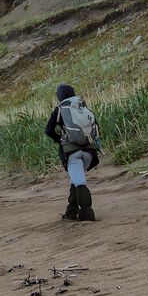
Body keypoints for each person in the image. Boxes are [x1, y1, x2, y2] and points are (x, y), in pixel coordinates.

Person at [45, 83, 101, 221]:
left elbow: (48, 130)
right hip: (89, 152)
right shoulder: (83, 106)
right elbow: (96, 126)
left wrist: (61, 140)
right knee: (75, 180)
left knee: (79, 182)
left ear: (60, 96)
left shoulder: (60, 109)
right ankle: (71, 210)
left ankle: (87, 212)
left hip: (72, 152)